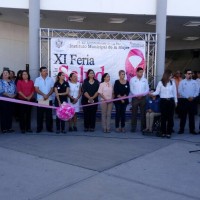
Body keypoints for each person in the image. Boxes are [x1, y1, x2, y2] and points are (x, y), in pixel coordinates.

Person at [151, 69, 177, 138]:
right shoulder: (160, 83)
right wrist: (151, 93)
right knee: (163, 118)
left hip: (171, 101)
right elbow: (157, 92)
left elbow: (174, 93)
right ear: (167, 75)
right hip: (163, 102)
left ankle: (169, 132)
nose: (171, 76)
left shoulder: (172, 82)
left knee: (170, 118)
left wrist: (176, 101)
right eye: (170, 75)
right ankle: (163, 132)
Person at [178, 69, 199, 135]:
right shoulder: (182, 82)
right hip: (184, 101)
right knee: (183, 116)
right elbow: (180, 91)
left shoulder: (195, 82)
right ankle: (181, 129)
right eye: (188, 73)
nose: (190, 75)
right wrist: (187, 97)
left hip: (192, 101)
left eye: (191, 73)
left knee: (192, 116)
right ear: (185, 74)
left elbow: (197, 90)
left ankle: (192, 130)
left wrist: (193, 97)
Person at [34, 66, 54, 133]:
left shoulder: (50, 79)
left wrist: (47, 95)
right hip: (40, 99)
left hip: (49, 99)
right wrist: (43, 95)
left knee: (49, 115)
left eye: (46, 70)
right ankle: (39, 128)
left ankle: (49, 128)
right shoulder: (37, 79)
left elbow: (52, 89)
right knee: (40, 115)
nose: (46, 72)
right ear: (41, 72)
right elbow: (36, 89)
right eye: (44, 71)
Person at [130, 67, 149, 132]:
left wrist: (142, 95)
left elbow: (147, 89)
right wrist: (137, 95)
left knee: (143, 113)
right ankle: (133, 128)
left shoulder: (145, 80)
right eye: (140, 72)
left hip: (143, 98)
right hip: (135, 98)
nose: (141, 73)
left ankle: (143, 127)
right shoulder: (132, 79)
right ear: (137, 72)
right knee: (134, 113)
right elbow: (131, 89)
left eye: (142, 72)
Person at [0, 69, 17, 133]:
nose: (5, 74)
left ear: (9, 74)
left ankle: (9, 127)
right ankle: (3, 128)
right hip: (3, 100)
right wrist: (9, 96)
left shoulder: (12, 82)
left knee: (10, 114)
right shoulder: (0, 81)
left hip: (11, 100)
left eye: (7, 73)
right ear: (2, 74)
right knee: (3, 114)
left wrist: (14, 95)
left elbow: (15, 90)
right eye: (4, 73)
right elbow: (1, 90)